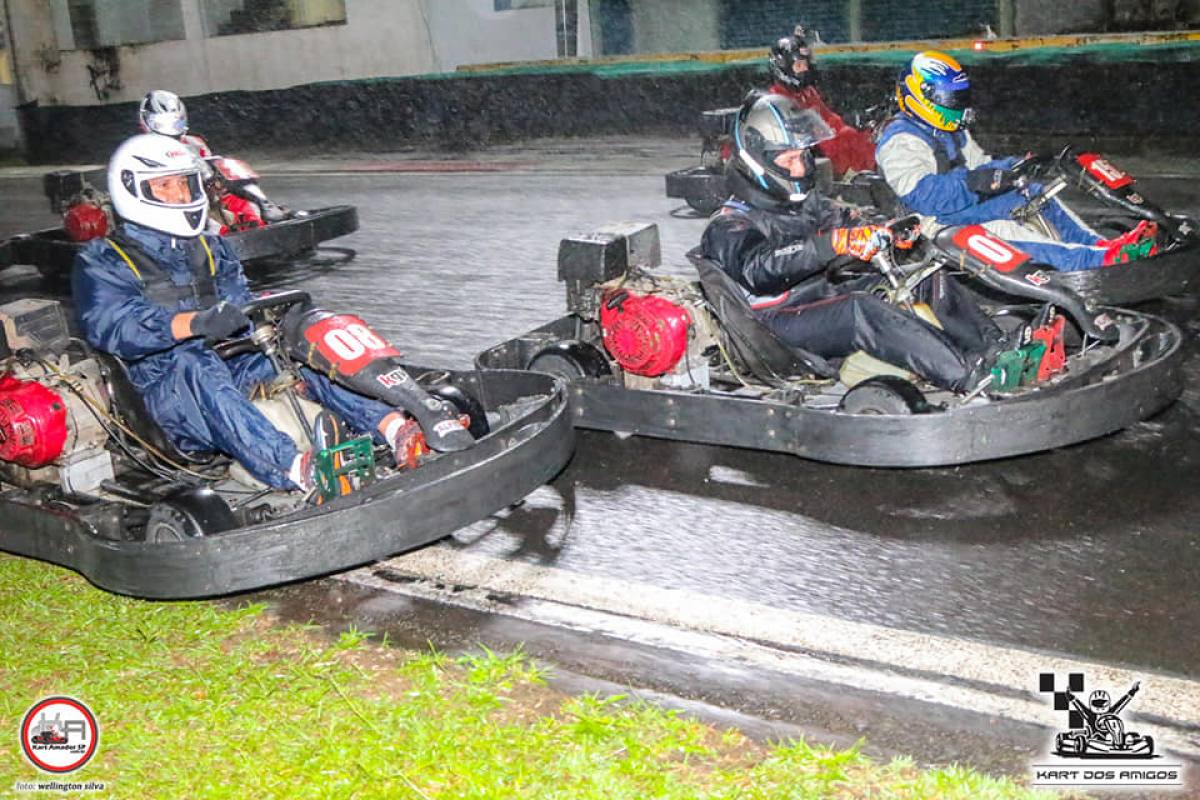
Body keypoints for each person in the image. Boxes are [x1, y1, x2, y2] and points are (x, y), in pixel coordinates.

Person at [73, 134, 473, 491]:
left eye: (185, 183)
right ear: (132, 191)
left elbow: (241, 305)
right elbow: (110, 325)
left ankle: (398, 426)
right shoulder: (104, 259)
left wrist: (275, 323)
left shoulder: (212, 249)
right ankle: (297, 468)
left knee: (300, 349)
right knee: (191, 359)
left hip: (229, 364)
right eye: (165, 186)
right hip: (160, 394)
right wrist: (191, 323)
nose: (179, 196)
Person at [700, 92, 1006, 393]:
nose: (801, 169)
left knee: (923, 277)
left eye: (803, 157)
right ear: (757, 162)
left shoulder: (804, 205)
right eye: (790, 159)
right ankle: (966, 375)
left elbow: (846, 221)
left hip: (818, 300)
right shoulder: (728, 223)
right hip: (772, 327)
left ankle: (996, 349)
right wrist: (835, 243)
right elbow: (761, 268)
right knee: (860, 310)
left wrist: (882, 231)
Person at [875, 51, 1156, 272]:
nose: (957, 105)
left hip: (960, 206)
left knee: (1033, 194)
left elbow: (980, 165)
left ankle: (1102, 247)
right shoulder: (900, 140)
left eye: (959, 97)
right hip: (928, 223)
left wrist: (1018, 166)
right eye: (949, 98)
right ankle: (1093, 263)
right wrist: (975, 183)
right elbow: (923, 196)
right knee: (999, 229)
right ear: (919, 95)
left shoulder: (951, 130)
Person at [138, 89, 289, 226]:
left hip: (206, 196)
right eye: (161, 123)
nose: (169, 129)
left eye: (175, 122)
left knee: (230, 178)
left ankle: (265, 208)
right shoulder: (140, 150)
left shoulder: (194, 143)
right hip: (171, 204)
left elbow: (215, 180)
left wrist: (213, 175)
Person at [767, 26, 876, 178]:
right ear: (783, 68)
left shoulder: (807, 92)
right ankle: (852, 177)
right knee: (844, 138)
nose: (804, 70)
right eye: (799, 66)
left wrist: (851, 124)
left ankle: (871, 172)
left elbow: (829, 118)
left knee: (858, 135)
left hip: (825, 142)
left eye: (805, 65)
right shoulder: (777, 99)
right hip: (808, 152)